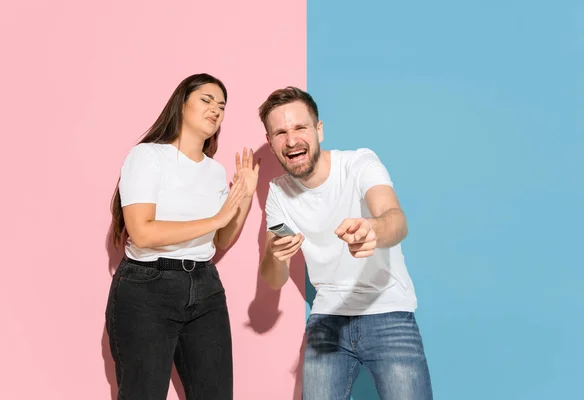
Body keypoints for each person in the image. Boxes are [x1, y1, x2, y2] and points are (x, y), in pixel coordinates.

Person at [257, 86, 433, 399]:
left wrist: (372, 230)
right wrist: (275, 254)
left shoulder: (358, 164)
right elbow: (274, 278)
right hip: (327, 322)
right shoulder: (279, 194)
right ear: (272, 145)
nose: (292, 139)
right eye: (280, 132)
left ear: (319, 130)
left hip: (389, 312)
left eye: (300, 127)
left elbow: (395, 218)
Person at [105, 73, 259, 400]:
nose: (216, 110)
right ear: (182, 104)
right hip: (148, 287)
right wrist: (216, 218)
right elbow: (143, 232)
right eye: (206, 100)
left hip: (205, 287)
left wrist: (244, 197)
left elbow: (220, 240)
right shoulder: (148, 156)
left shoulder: (215, 170)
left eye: (222, 106)